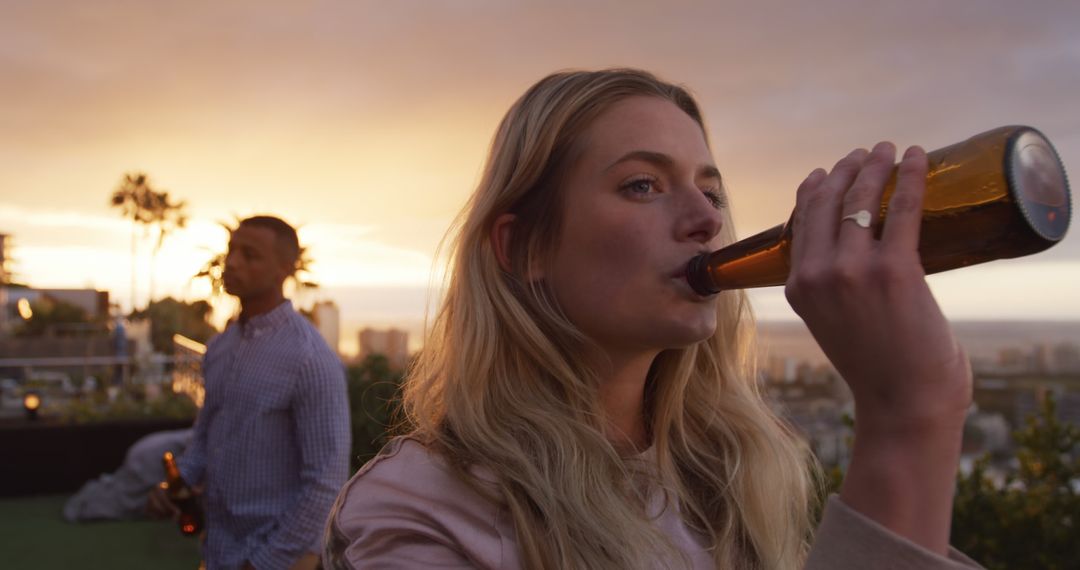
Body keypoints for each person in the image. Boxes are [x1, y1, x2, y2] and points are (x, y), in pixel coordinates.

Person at [324, 69, 982, 569]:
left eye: (711, 189)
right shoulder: (423, 512)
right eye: (643, 184)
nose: (707, 219)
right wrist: (907, 418)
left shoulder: (731, 472)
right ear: (523, 247)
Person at [148, 215, 351, 570]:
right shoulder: (221, 347)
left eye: (250, 254)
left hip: (279, 557)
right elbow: (206, 436)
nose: (234, 262)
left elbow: (325, 483)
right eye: (232, 251)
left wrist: (262, 563)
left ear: (284, 269)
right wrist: (180, 480)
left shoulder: (309, 358)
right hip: (218, 550)